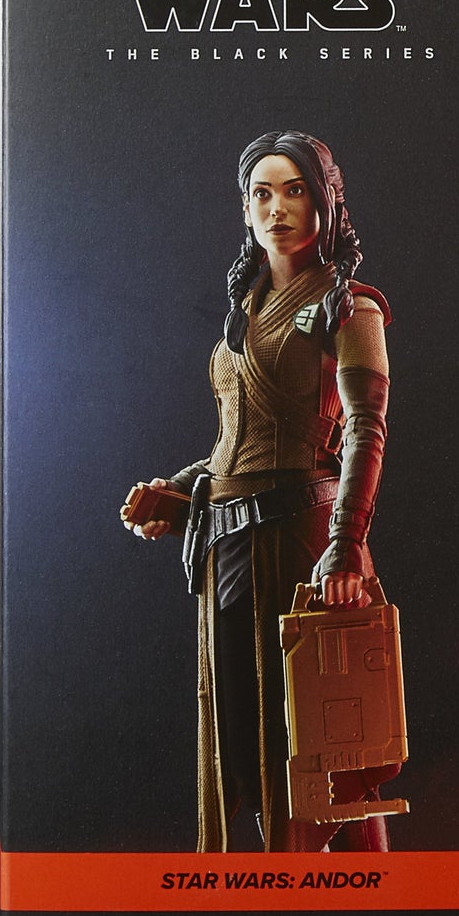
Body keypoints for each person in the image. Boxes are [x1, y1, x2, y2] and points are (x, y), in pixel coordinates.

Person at [121, 132, 395, 853]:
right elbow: (234, 444)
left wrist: (346, 543)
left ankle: (362, 903)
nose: (278, 208)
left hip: (304, 546)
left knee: (324, 749)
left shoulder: (350, 307)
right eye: (262, 193)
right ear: (245, 208)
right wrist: (179, 491)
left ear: (324, 200)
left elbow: (366, 428)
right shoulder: (244, 307)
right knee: (242, 743)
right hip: (228, 552)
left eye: (294, 190)